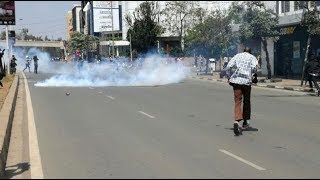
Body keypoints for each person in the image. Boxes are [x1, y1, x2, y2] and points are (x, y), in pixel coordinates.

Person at [225, 47, 258, 136]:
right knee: (246, 101)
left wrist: (229, 77)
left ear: (243, 51)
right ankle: (245, 122)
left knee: (237, 102)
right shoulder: (252, 58)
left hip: (236, 81)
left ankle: (236, 121)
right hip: (246, 82)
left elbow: (228, 67)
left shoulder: (237, 56)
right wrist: (253, 76)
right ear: (250, 52)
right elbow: (254, 69)